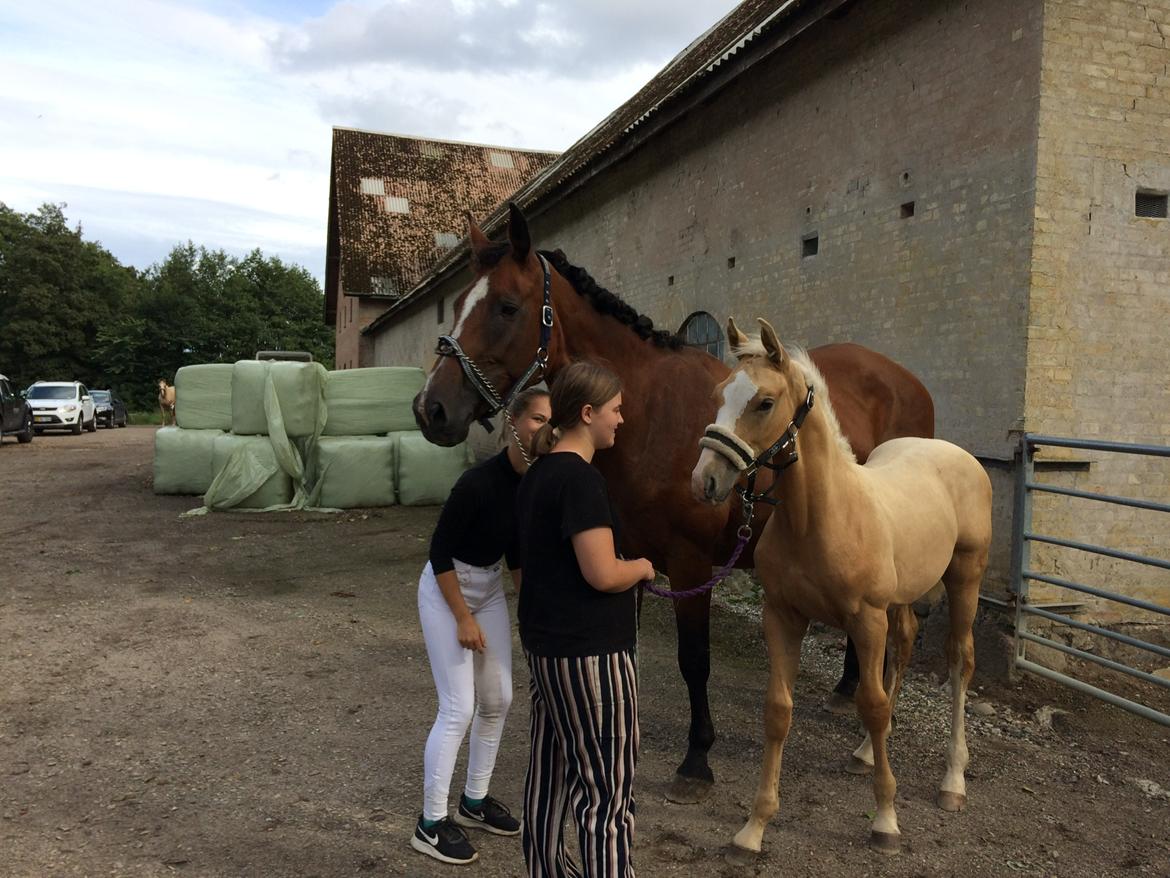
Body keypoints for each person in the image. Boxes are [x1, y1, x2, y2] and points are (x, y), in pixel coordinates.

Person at [515, 361, 654, 878]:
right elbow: (600, 573)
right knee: (606, 797)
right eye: (616, 410)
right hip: (591, 657)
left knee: (549, 776)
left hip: (548, 650)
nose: (622, 419)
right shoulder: (582, 481)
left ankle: (545, 869)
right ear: (589, 413)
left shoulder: (538, 475)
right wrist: (639, 567)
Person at [412, 387, 552, 866]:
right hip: (446, 587)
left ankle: (473, 802)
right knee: (459, 708)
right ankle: (429, 824)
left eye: (550, 421)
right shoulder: (476, 483)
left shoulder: (532, 484)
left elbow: (515, 551)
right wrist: (463, 617)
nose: (544, 428)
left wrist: (533, 607)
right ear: (513, 423)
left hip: (488, 584)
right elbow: (438, 552)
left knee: (498, 699)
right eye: (536, 419)